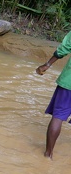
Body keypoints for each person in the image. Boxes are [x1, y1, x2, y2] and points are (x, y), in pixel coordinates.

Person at [35, 30, 71, 159]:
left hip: (69, 83)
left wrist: (47, 64)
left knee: (58, 117)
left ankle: (48, 155)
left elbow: (64, 48)